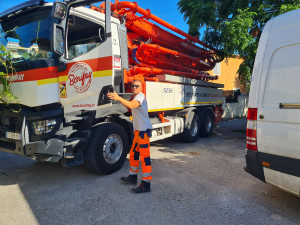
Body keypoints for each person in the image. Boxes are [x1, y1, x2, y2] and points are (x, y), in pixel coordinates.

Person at [107, 80, 152, 193]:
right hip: (138, 132)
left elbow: (132, 105)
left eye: (137, 86)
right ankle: (132, 177)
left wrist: (118, 98)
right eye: (132, 86)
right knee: (133, 155)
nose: (134, 88)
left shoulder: (141, 97)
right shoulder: (135, 97)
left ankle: (146, 184)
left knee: (145, 158)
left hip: (143, 132)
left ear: (141, 88)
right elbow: (130, 105)